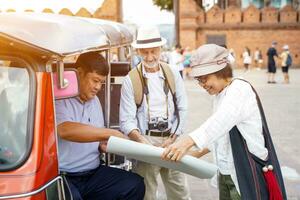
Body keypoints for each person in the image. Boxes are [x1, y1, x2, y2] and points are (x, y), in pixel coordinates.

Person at [161, 44, 286, 200]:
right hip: (226, 174)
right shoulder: (220, 94)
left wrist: (186, 142)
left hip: (245, 172)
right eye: (199, 80)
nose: (203, 85)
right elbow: (221, 134)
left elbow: (220, 122)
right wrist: (194, 153)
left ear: (219, 71)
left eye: (204, 79)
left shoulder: (240, 89)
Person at [55, 52, 145, 200]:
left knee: (134, 184)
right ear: (79, 73)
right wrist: (109, 133)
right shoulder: (60, 99)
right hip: (65, 175)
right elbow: (65, 130)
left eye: (101, 82)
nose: (98, 87)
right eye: (95, 80)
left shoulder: (95, 101)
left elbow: (96, 138)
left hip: (93, 173)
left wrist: (103, 145)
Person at [119, 26, 190, 200]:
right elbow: (126, 120)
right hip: (145, 139)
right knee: (147, 193)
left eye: (153, 51)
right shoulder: (131, 79)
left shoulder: (172, 73)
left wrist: (173, 138)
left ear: (160, 49)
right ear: (138, 52)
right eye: (145, 52)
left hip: (172, 140)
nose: (150, 57)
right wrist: (144, 143)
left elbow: (183, 108)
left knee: (179, 191)